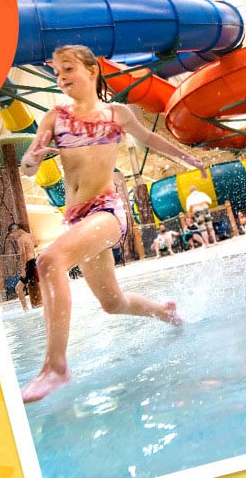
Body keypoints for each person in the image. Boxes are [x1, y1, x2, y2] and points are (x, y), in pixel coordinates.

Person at [18, 44, 208, 403]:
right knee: (113, 303)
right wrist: (30, 161)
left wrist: (187, 158)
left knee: (49, 261)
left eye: (68, 68)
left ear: (92, 71)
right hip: (74, 218)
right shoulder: (53, 117)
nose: (61, 77)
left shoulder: (116, 113)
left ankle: (55, 367)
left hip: (106, 211)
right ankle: (164, 311)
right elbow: (32, 158)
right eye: (57, 72)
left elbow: (149, 138)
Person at [10, 222, 38, 311]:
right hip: (35, 261)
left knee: (18, 288)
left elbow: (23, 254)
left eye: (13, 234)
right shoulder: (31, 236)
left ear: (15, 230)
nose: (15, 237)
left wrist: (23, 269)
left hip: (29, 263)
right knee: (39, 284)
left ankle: (25, 308)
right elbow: (36, 245)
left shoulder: (21, 239)